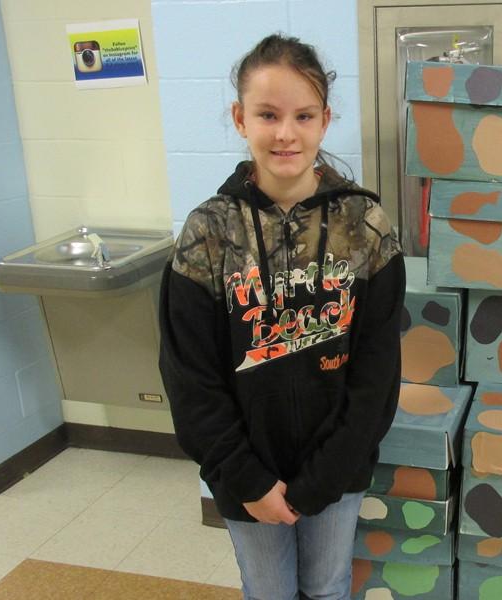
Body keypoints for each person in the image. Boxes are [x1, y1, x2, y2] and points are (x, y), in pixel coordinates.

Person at [158, 33, 405, 600]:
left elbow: (377, 370)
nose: (286, 133)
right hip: (245, 471)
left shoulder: (365, 226)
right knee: (268, 592)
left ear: (325, 120)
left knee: (326, 586)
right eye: (268, 114)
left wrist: (327, 475)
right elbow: (189, 376)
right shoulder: (208, 234)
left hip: (337, 468)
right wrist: (243, 476)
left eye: (304, 115)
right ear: (240, 119)